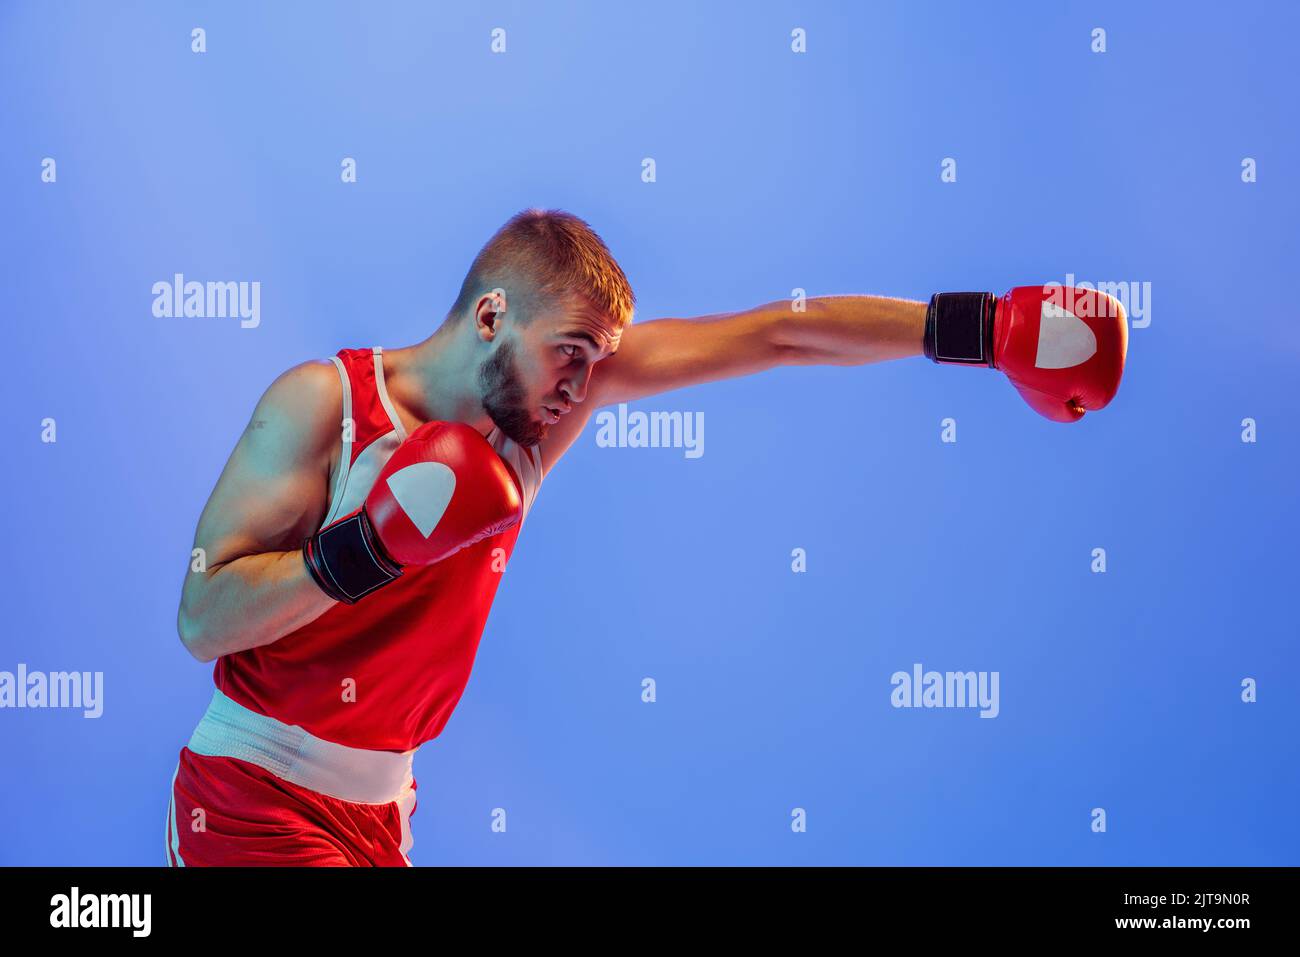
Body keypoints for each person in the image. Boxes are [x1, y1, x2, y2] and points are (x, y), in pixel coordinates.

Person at [167, 208, 1126, 865]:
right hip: (253, 786)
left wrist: (986, 328)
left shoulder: (532, 430)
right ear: (492, 314)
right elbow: (204, 617)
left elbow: (773, 335)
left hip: (382, 810)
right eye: (569, 357)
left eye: (596, 365)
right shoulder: (324, 404)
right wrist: (362, 550)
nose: (582, 390)